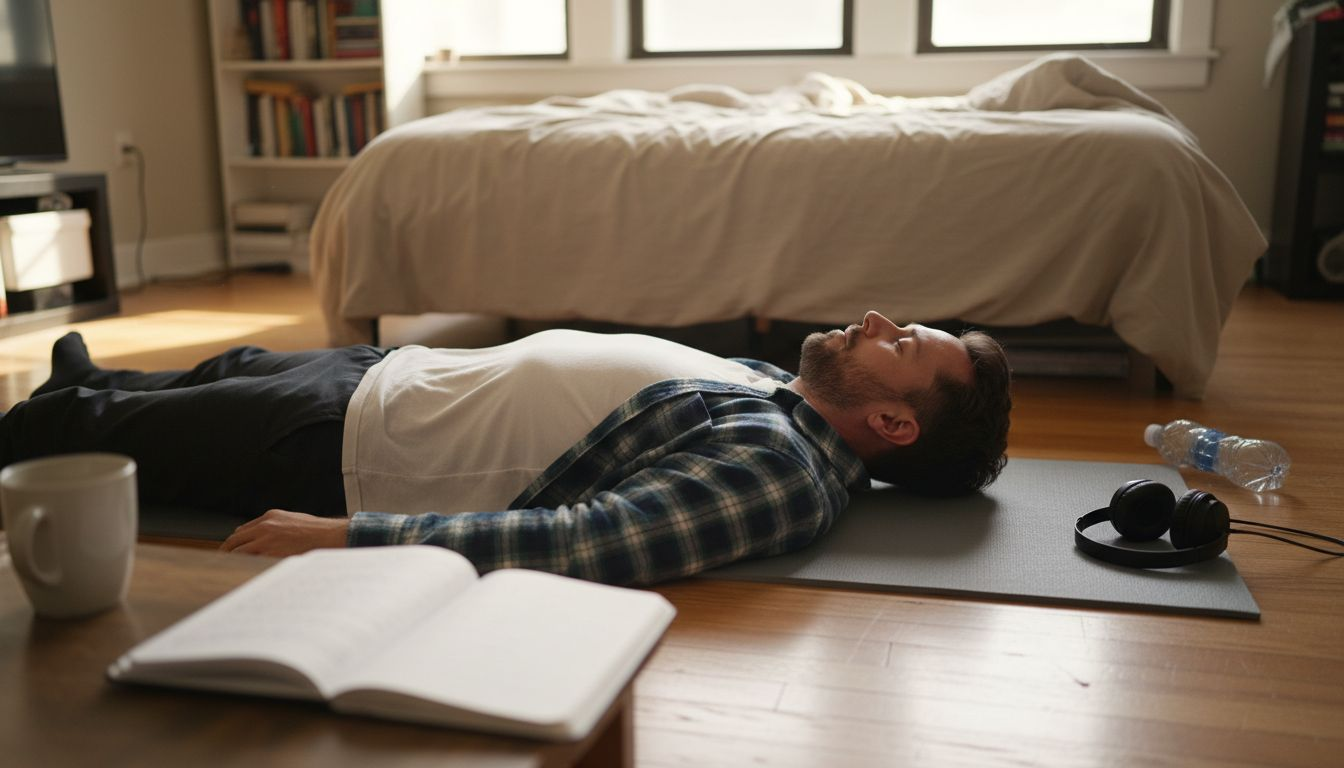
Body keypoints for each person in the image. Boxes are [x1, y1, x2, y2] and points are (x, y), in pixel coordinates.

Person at [0, 311, 1011, 586]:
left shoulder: (783, 474)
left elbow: (595, 541)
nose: (877, 318)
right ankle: (90, 381)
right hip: (389, 378)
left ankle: (69, 405)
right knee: (208, 372)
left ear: (893, 426)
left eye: (902, 344)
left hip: (345, 448)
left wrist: (349, 540)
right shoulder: (783, 398)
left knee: (72, 438)